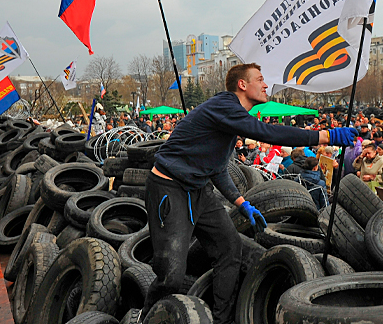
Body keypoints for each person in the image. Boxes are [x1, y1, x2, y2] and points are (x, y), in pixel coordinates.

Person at [142, 63, 357, 323]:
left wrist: (242, 203)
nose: (266, 85)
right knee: (172, 274)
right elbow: (265, 131)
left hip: (199, 190)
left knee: (230, 249)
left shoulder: (230, 121)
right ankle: (147, 317)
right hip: (170, 187)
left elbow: (218, 169)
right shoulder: (224, 105)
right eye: (260, 79)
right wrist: (326, 135)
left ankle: (221, 319)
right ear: (242, 85)